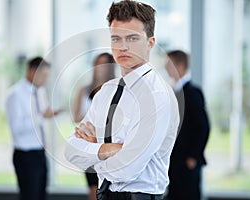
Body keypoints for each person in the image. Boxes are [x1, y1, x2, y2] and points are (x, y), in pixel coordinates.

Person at [65, 1, 180, 200]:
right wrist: (109, 149)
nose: (123, 46)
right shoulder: (106, 92)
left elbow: (127, 170)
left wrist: (92, 153)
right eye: (116, 38)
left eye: (133, 38)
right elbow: (70, 151)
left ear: (150, 42)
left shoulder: (157, 95)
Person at [6, 56, 62, 200]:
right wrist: (42, 116)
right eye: (43, 75)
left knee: (41, 195)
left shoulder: (40, 92)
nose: (45, 79)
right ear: (32, 71)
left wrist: (48, 115)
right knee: (30, 196)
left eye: (47, 76)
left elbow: (42, 116)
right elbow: (17, 128)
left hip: (40, 153)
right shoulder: (16, 94)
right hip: (26, 155)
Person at [165, 50, 210, 200]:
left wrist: (193, 156)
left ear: (181, 65)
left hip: (186, 161)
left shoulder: (192, 93)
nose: (166, 67)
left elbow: (203, 127)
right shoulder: (174, 92)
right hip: (176, 159)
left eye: (169, 63)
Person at [72, 52, 116, 200]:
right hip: (90, 148)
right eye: (97, 63)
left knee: (111, 189)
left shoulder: (116, 90)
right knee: (93, 189)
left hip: (109, 147)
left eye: (103, 64)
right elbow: (76, 117)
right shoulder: (84, 90)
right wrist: (91, 118)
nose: (99, 68)